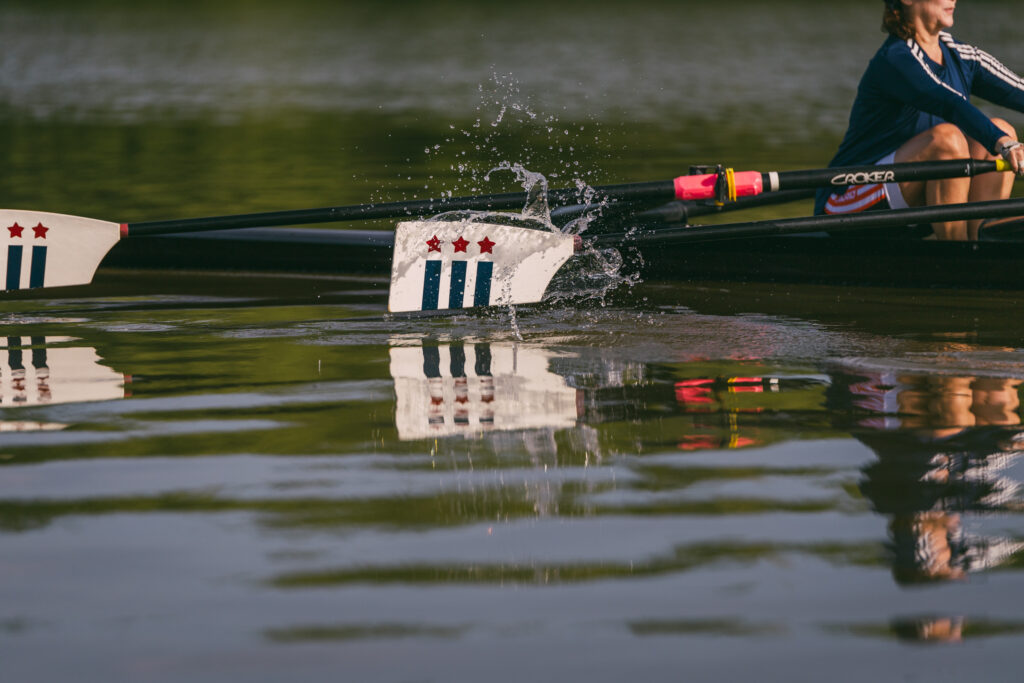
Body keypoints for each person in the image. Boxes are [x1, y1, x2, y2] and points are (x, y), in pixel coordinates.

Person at [815, 0, 1024, 240]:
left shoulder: (960, 54)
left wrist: (1001, 138)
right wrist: (1005, 143)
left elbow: (1019, 89)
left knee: (1001, 128)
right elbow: (949, 102)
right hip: (846, 199)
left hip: (906, 194)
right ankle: (957, 255)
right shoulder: (896, 59)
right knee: (948, 140)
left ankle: (978, 246)